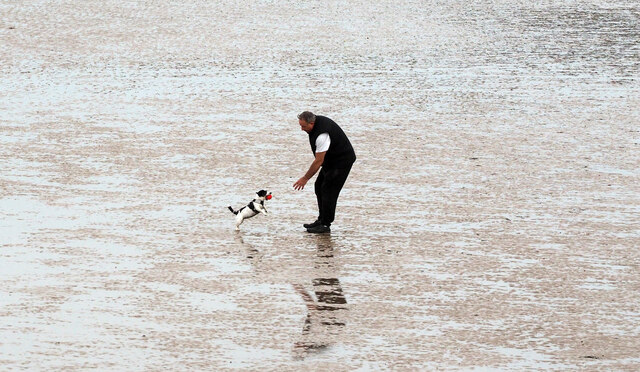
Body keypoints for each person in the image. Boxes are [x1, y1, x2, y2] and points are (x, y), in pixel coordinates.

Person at [293, 111, 356, 233]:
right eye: (300, 126)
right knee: (319, 186)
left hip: (342, 162)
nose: (302, 129)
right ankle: (321, 220)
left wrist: (305, 178)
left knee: (328, 190)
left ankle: (326, 225)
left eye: (304, 126)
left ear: (312, 123)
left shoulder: (322, 135)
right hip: (331, 161)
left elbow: (318, 161)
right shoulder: (315, 125)